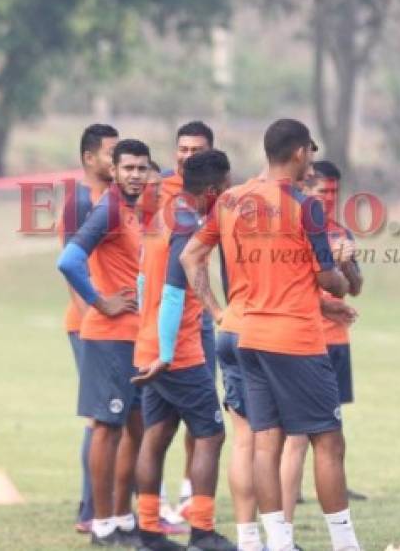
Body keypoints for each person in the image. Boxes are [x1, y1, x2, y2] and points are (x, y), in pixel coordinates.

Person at [209, 119, 360, 551]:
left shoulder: (231, 200)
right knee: (328, 442)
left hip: (247, 336)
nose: (311, 159)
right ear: (298, 153)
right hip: (294, 338)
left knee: (265, 441)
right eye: (309, 152)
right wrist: (342, 261)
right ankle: (345, 544)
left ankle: (274, 542)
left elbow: (194, 255)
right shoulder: (305, 207)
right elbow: (330, 282)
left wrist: (219, 310)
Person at [132, 149, 237, 551]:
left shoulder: (163, 212)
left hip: (150, 342)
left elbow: (144, 279)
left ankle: (148, 532)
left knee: (156, 434)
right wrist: (166, 353)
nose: (228, 191)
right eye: (225, 186)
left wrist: (148, 333)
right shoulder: (187, 224)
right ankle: (202, 532)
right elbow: (174, 293)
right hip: (177, 352)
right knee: (210, 435)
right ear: (211, 190)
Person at [57, 139, 151, 546]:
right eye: (127, 167)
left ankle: (122, 518)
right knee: (107, 429)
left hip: (134, 338)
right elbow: (68, 260)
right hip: (109, 337)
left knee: (135, 428)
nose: (134, 174)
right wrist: (101, 302)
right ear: (113, 170)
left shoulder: (131, 212)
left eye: (141, 168)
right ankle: (100, 524)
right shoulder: (109, 208)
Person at [180, 171, 266, 551]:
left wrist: (216, 312)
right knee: (274, 441)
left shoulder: (225, 209)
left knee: (243, 440)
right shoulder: (266, 206)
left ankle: (249, 539)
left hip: (230, 327)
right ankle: (280, 539)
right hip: (262, 329)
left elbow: (189, 256)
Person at [281, 160, 364, 535]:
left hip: (335, 339)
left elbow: (356, 286)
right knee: (296, 434)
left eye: (333, 192)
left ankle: (331, 485)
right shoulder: (297, 224)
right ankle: (286, 512)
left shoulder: (340, 230)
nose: (327, 198)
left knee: (331, 428)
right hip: (303, 338)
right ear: (307, 189)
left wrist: (349, 265)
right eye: (321, 191)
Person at [57, 123, 118, 533]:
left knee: (117, 416)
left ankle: (110, 506)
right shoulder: (79, 202)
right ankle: (90, 511)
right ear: (89, 158)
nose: (117, 160)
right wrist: (91, 313)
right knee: (101, 417)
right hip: (89, 324)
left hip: (118, 326)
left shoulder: (115, 200)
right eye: (111, 153)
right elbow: (69, 265)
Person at [158, 120, 217, 520]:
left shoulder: (218, 197)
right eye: (183, 149)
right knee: (154, 421)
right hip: (164, 317)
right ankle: (153, 502)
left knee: (199, 418)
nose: (188, 156)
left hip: (201, 322)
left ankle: (186, 495)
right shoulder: (155, 192)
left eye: (197, 150)